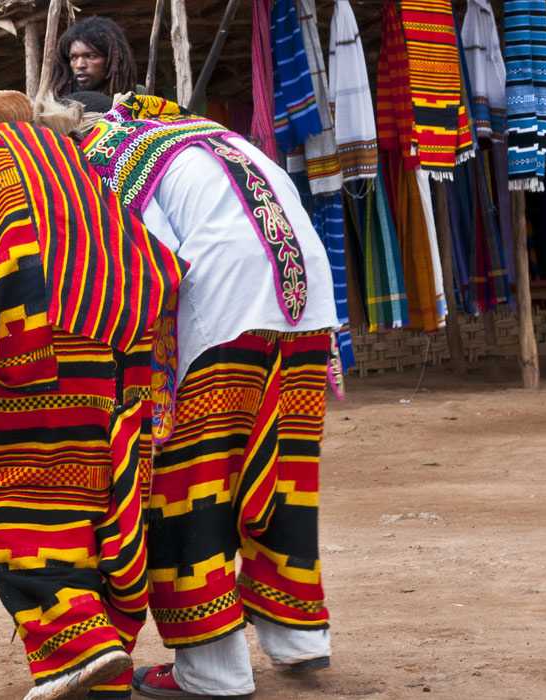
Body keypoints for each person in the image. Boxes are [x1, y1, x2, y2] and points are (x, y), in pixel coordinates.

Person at [0, 80, 183, 700]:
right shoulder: (38, 144)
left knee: (13, 499)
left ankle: (81, 644)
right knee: (95, 492)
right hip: (125, 326)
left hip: (43, 335)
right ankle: (106, 659)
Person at [68, 93, 337, 699]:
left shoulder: (107, 157)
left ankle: (212, 670)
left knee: (192, 488)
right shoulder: (212, 138)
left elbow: (146, 265)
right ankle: (299, 638)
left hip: (224, 307)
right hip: (307, 303)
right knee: (284, 474)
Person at [46, 16, 138, 99]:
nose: (79, 65)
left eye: (91, 56)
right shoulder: (56, 104)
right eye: (74, 58)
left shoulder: (137, 101)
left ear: (113, 60)